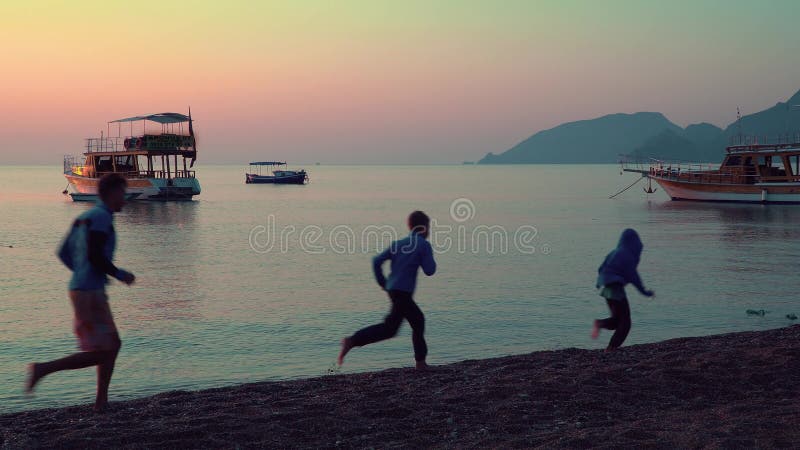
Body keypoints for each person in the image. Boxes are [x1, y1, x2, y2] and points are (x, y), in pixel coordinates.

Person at [26, 173, 136, 412]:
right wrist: (118, 274)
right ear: (112, 192)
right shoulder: (101, 217)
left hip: (83, 287)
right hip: (89, 292)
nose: (125, 199)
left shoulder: (84, 217)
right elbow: (95, 254)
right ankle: (43, 369)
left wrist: (82, 272)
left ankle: (101, 402)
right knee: (104, 350)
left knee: (113, 345)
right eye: (123, 193)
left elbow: (63, 253)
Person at [338, 211, 437, 369]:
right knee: (404, 325)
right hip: (403, 292)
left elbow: (376, 261)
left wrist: (383, 283)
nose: (429, 231)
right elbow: (430, 270)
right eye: (429, 227)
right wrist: (428, 254)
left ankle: (420, 361)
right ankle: (352, 341)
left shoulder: (398, 244)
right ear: (424, 228)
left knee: (403, 325)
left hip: (393, 290)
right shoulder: (423, 245)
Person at [591, 228, 654, 351]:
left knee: (616, 321)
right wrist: (645, 292)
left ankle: (599, 324)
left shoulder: (614, 252)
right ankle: (611, 348)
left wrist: (600, 283)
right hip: (615, 287)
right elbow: (634, 277)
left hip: (606, 288)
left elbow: (600, 268)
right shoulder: (627, 255)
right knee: (625, 323)